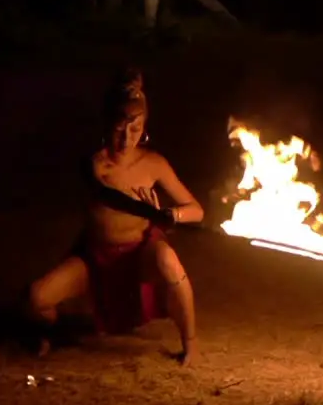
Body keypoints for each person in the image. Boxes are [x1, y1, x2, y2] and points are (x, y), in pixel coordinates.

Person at [28, 68, 204, 366]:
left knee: (168, 260)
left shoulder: (153, 163)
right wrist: (147, 210)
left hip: (139, 252)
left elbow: (197, 210)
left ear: (145, 127)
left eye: (135, 131)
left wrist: (171, 214)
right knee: (37, 297)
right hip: (96, 255)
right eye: (119, 129)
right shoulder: (93, 164)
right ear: (107, 124)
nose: (126, 139)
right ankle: (48, 336)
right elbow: (106, 195)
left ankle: (191, 344)